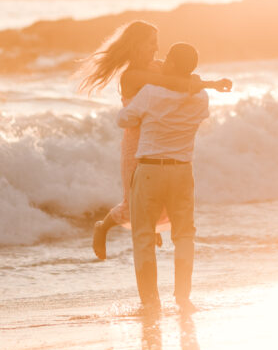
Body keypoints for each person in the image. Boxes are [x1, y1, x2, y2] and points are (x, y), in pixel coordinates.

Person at [76, 21, 230, 260]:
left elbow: (181, 76)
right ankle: (103, 227)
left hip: (161, 140)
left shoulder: (156, 67)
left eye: (157, 45)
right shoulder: (132, 77)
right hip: (137, 146)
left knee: (162, 200)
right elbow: (173, 83)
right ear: (136, 46)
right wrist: (210, 84)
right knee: (132, 204)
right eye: (151, 45)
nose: (156, 50)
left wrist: (196, 77)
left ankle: (151, 227)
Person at [117, 43, 212, 313]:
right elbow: (200, 116)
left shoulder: (150, 93)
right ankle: (183, 298)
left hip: (149, 170)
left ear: (170, 64)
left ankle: (150, 302)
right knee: (184, 235)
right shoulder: (201, 97)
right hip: (182, 170)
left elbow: (123, 120)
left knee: (144, 236)